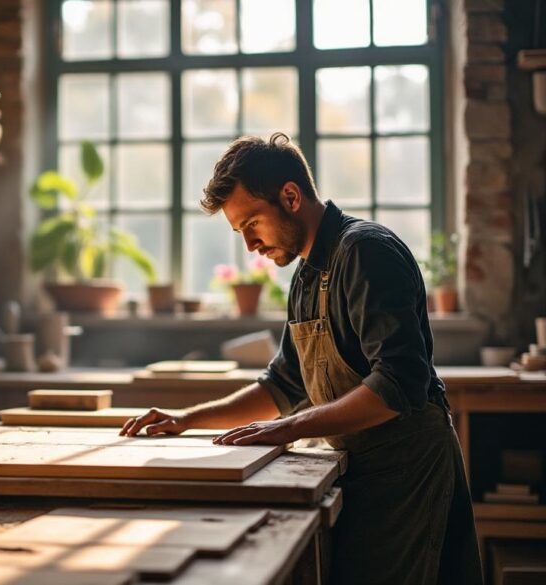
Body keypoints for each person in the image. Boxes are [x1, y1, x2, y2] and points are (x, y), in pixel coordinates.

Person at [120, 133, 482, 585]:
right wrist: (186, 419)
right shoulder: (307, 274)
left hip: (408, 474)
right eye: (240, 233)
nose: (250, 246)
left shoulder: (366, 251)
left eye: (252, 223)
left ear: (290, 196)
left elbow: (398, 385)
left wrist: (287, 427)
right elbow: (284, 385)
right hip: (359, 469)